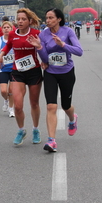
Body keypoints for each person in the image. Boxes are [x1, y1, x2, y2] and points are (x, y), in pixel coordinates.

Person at [27, 8, 83, 152]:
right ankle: (51, 141)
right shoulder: (43, 34)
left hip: (67, 72)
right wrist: (39, 47)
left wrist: (63, 45)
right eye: (46, 18)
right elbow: (45, 59)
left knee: (65, 105)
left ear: (59, 19)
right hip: (51, 72)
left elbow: (79, 51)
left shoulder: (68, 32)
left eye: (51, 17)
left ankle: (72, 118)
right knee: (51, 106)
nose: (48, 20)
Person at [0, 8, 43, 146]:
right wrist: (0, 55)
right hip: (17, 72)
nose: (20, 22)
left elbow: (43, 48)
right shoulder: (12, 34)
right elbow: (7, 47)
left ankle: (35, 129)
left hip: (34, 71)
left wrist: (44, 58)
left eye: (23, 19)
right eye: (18, 19)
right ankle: (21, 130)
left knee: (34, 103)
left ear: (29, 21)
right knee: (17, 105)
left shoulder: (36, 33)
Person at [0, 21, 15, 118]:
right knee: (3, 91)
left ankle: (11, 109)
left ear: (11, 29)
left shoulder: (15, 40)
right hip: (3, 69)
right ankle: (6, 100)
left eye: (8, 27)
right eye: (4, 27)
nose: (6, 29)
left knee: (11, 90)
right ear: (2, 30)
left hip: (14, 69)